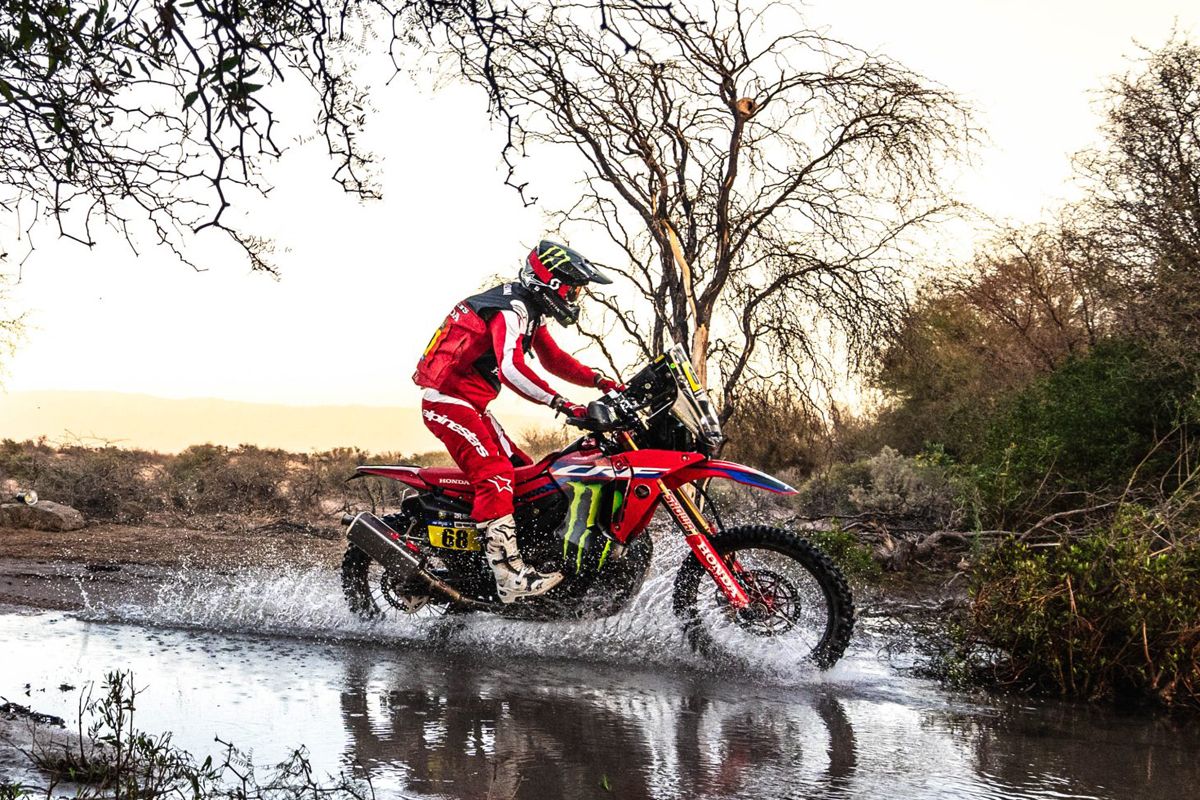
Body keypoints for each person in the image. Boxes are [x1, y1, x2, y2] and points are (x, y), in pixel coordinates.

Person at [412, 240, 621, 603]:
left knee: (528, 475)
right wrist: (560, 402)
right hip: (447, 402)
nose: (575, 297)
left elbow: (553, 358)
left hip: (473, 405)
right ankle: (508, 576)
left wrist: (599, 380)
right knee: (495, 475)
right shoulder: (511, 309)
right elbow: (511, 367)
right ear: (551, 282)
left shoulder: (530, 310)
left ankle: (521, 558)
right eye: (572, 289)